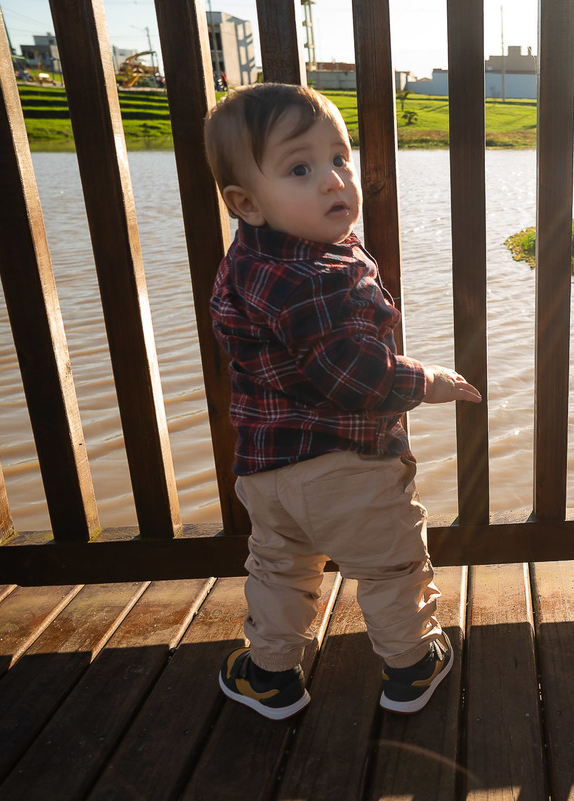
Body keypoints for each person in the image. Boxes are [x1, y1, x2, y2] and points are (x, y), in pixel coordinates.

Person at [203, 83, 482, 720]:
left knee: (279, 569)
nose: (332, 180)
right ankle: (412, 666)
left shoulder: (247, 262)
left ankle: (269, 676)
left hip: (267, 470)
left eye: (338, 158)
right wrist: (428, 381)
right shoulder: (319, 277)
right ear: (245, 202)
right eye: (300, 168)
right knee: (390, 568)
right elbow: (355, 377)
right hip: (348, 469)